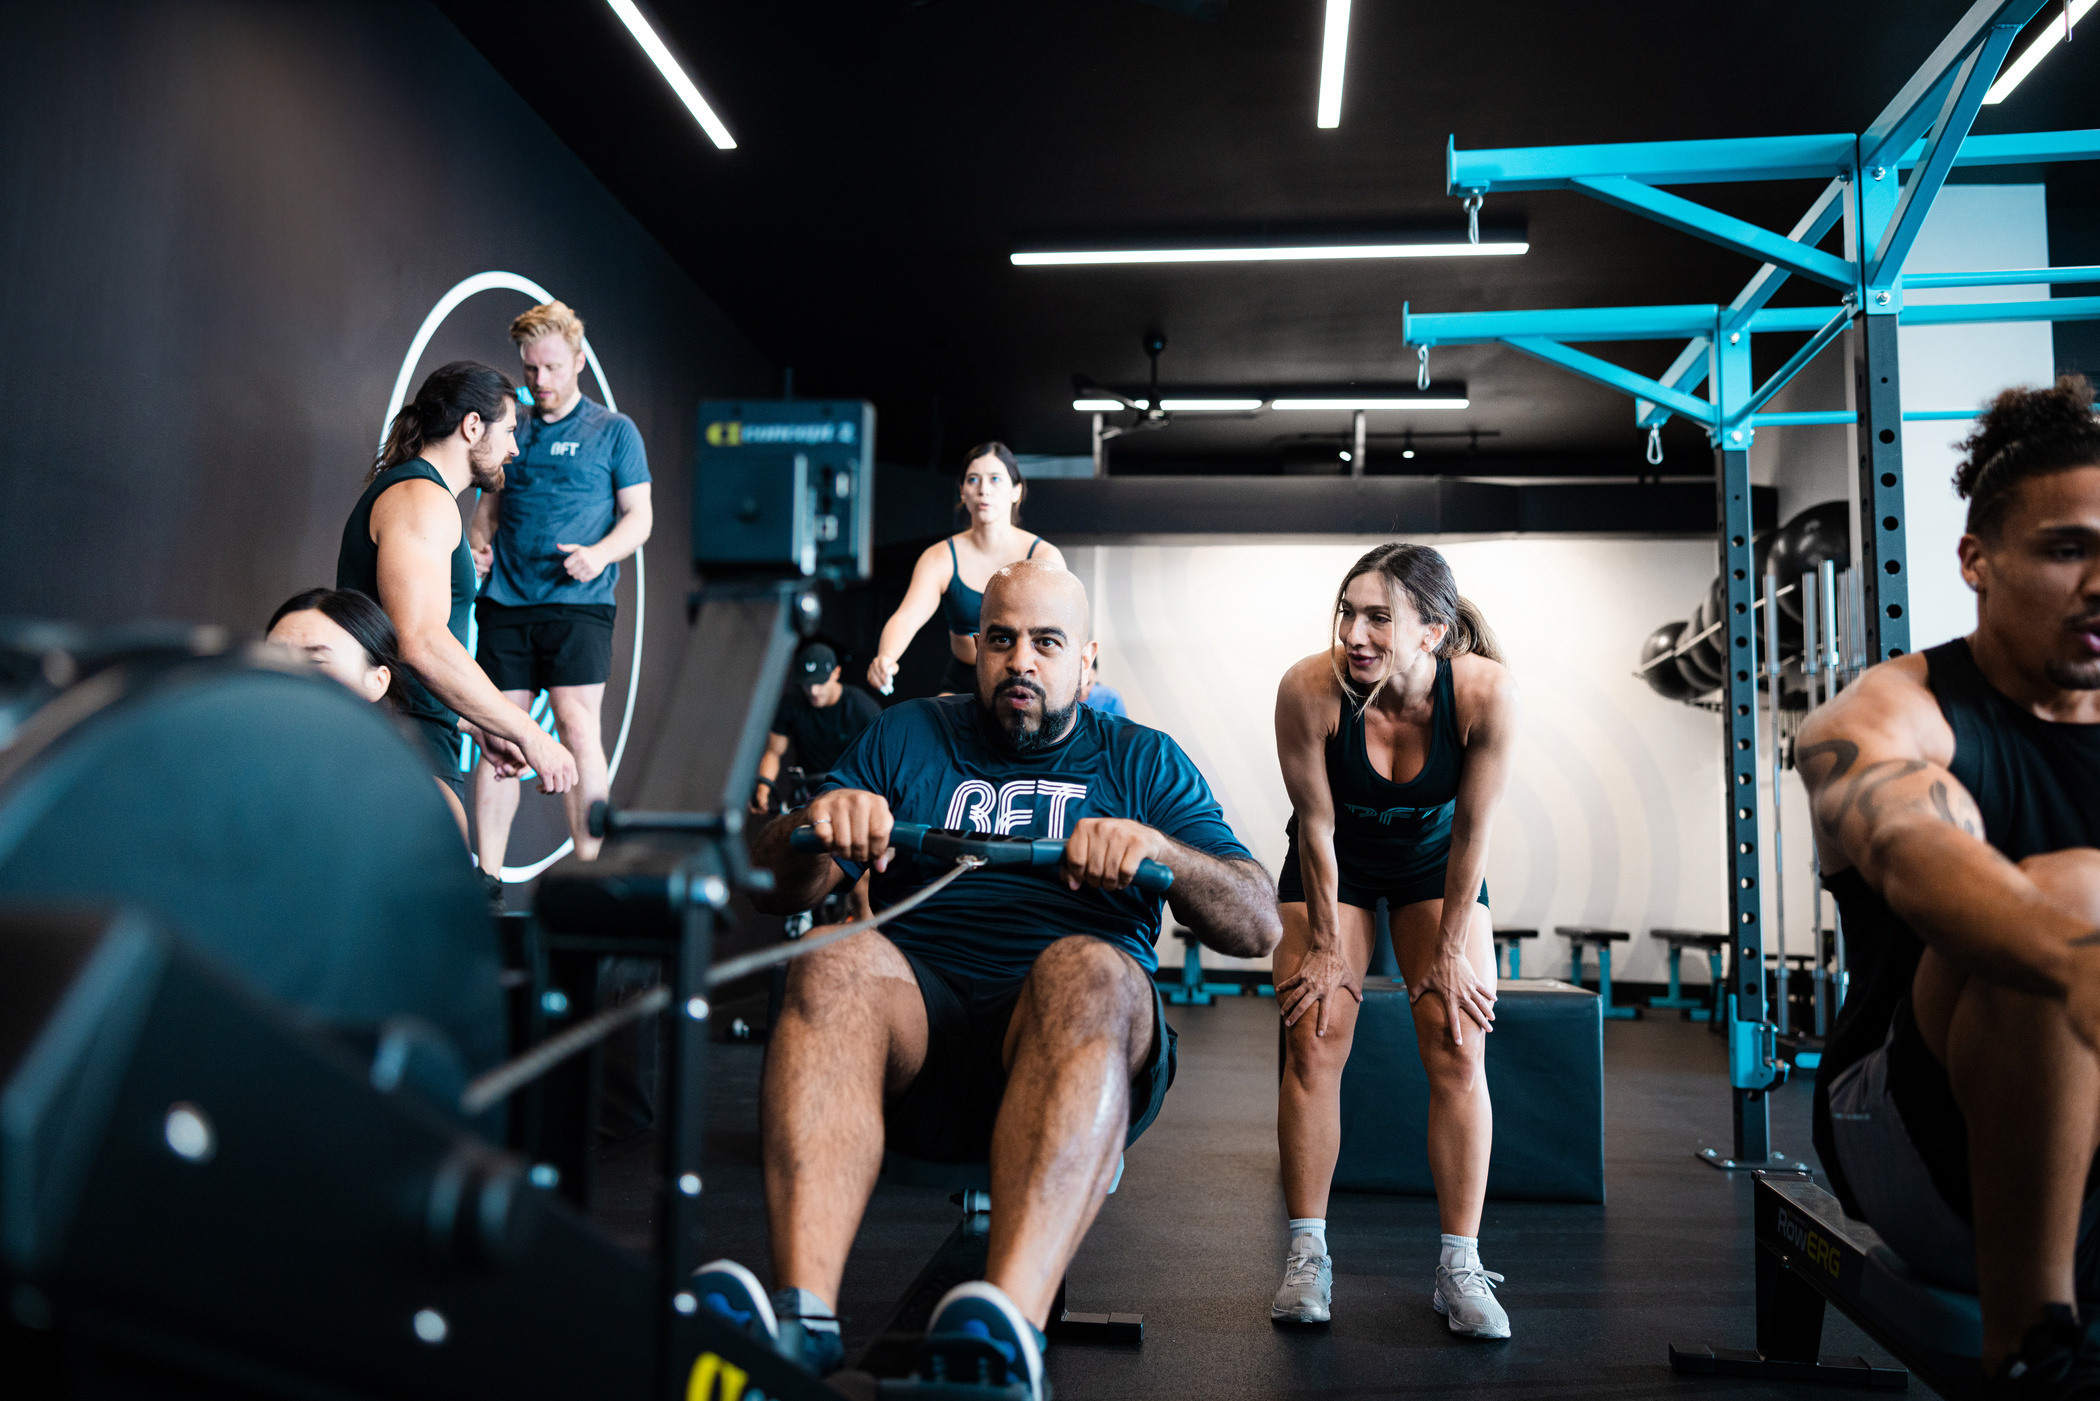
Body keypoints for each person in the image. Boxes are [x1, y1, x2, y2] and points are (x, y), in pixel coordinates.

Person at [707, 560, 1279, 1398]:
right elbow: (775, 883)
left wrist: (1158, 852)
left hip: (1073, 1040)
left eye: (1046, 642)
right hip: (918, 1040)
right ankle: (800, 1329)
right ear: (976, 650)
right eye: (1002, 639)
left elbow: (1257, 919)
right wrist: (818, 825)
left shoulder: (1142, 762)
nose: (1021, 661)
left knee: (1083, 964)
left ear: (1086, 661)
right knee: (831, 959)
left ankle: (998, 1343)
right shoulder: (908, 735)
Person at [1797, 375, 2100, 1396]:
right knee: (2067, 896)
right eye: (2069, 550)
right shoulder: (1889, 717)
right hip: (1913, 1133)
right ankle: (2030, 1353)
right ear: (1976, 559)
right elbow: (1909, 845)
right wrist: (2076, 963)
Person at [1269, 542, 1519, 1337]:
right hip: (1332, 861)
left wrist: (1448, 949)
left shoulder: (1483, 693)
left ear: (1433, 631)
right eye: (1347, 613)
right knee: (1314, 1032)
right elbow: (1315, 825)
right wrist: (1326, 949)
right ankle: (1307, 1254)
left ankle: (1459, 1263)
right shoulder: (1308, 689)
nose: (1356, 632)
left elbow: (1474, 833)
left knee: (1458, 1038)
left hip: (1434, 866)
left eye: (1379, 616)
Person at [338, 359, 578, 887]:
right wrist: (530, 734)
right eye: (510, 430)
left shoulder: (430, 498)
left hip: (419, 737)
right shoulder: (422, 498)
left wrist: (478, 724)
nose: (515, 448)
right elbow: (419, 641)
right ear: (473, 426)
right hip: (397, 744)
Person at [468, 300, 651, 870]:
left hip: (579, 605)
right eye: (530, 369)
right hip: (507, 602)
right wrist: (476, 548)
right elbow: (488, 511)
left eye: (550, 368)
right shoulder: (512, 428)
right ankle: (491, 881)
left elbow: (639, 518)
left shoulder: (613, 431)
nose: (539, 381)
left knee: (576, 725)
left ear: (578, 362)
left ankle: (592, 874)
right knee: (499, 736)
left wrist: (599, 554)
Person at [265, 587, 470, 842]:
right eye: (273, 659)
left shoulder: (424, 802)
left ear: (377, 680)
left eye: (315, 662)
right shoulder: (224, 779)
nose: (287, 676)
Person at [866, 443, 1065, 697]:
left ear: (1016, 490)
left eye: (995, 479)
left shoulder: (1044, 557)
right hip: (962, 680)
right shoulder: (940, 557)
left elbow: (1060, 631)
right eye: (973, 480)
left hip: (1021, 681)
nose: (983, 490)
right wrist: (886, 657)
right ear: (962, 491)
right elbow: (906, 618)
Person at [752, 641, 882, 814]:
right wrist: (763, 790)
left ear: (836, 673)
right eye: (807, 683)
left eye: (820, 682)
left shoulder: (862, 708)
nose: (813, 691)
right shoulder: (791, 704)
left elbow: (883, 759)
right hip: (810, 791)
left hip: (852, 792)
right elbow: (774, 752)